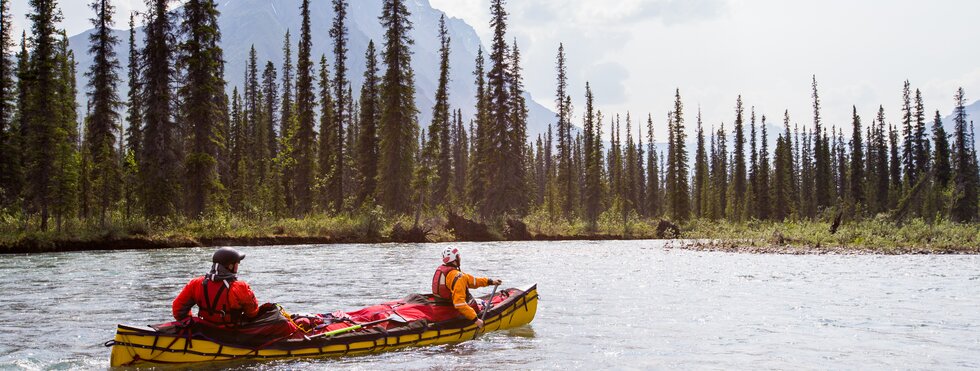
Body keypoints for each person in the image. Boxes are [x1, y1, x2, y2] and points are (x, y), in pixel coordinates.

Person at [172, 247, 265, 326]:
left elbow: (178, 310)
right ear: (231, 266)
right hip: (230, 332)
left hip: (205, 329)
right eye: (237, 263)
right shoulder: (239, 287)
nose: (238, 265)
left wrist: (193, 324)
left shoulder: (195, 283)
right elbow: (252, 313)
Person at [431, 246, 502, 328]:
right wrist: (476, 320)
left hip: (442, 305)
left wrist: (490, 281)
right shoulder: (458, 276)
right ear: (456, 258)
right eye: (459, 256)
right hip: (452, 309)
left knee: (476, 301)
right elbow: (459, 304)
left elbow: (473, 281)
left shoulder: (444, 270)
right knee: (477, 304)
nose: (460, 258)